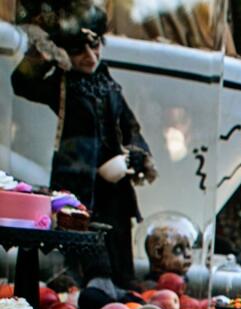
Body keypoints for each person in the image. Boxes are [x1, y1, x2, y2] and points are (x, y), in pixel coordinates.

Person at [10, 9, 156, 291]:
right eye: (79, 51)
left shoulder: (108, 84)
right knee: (74, 226)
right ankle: (74, 280)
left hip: (114, 180)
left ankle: (121, 278)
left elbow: (130, 126)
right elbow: (22, 84)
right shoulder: (63, 85)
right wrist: (43, 52)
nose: (90, 57)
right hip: (76, 172)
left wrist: (136, 152)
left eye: (95, 46)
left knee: (118, 228)